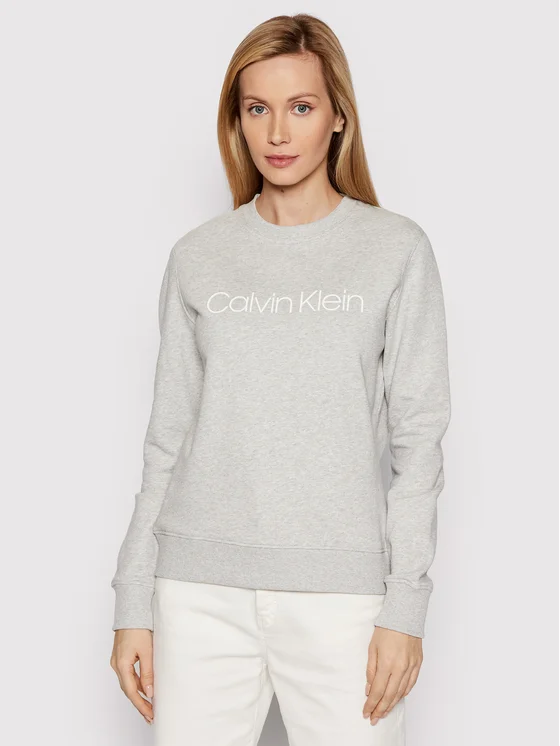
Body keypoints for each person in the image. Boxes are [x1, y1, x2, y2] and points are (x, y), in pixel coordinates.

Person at [109, 12, 451, 745]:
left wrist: (405, 607)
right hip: (197, 591)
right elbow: (167, 440)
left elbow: (418, 444)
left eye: (301, 106)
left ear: (337, 117)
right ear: (237, 120)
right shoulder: (199, 256)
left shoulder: (395, 250)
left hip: (342, 597)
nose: (277, 132)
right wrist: (133, 599)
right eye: (257, 108)